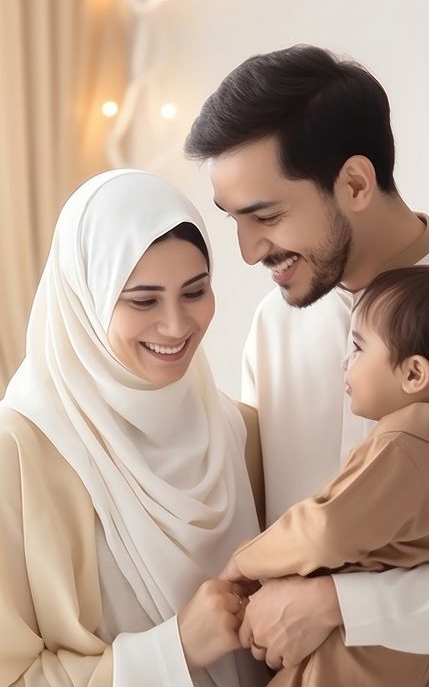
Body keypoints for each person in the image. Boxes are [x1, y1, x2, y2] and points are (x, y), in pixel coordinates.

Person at [185, 44, 429, 687]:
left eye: (267, 216)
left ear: (356, 183)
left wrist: (343, 606)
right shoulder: (277, 325)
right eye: (235, 222)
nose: (248, 252)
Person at [0, 169, 271, 687]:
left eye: (195, 291)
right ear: (86, 302)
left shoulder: (240, 433)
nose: (176, 325)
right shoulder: (18, 452)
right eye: (143, 300)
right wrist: (174, 652)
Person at [221, 264, 429, 686]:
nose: (346, 361)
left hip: (347, 662)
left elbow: (326, 529)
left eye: (359, 348)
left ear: (414, 374)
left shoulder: (403, 449)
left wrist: (247, 560)